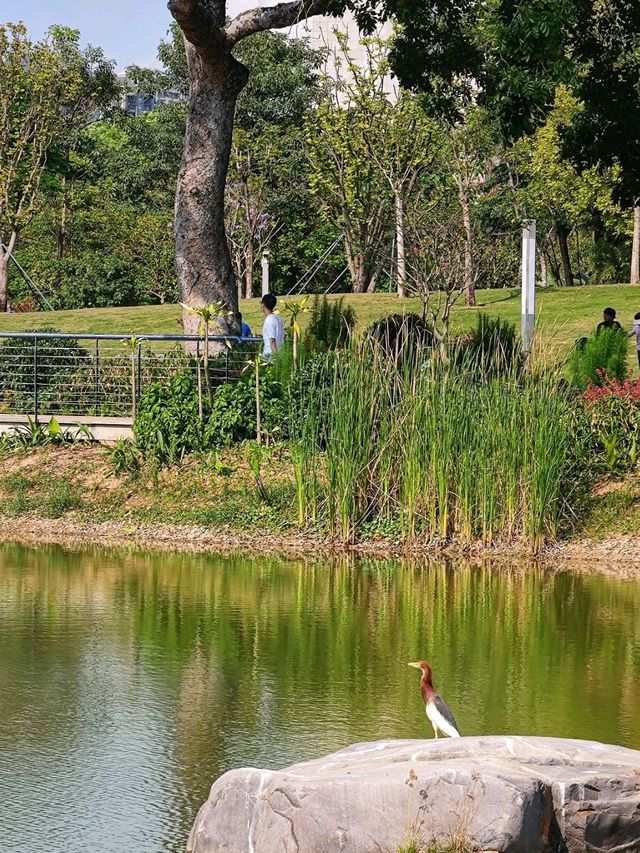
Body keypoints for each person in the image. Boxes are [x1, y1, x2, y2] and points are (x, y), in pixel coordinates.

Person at [260, 293, 284, 359]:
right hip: (280, 352)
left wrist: (276, 359)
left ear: (263, 305)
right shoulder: (278, 318)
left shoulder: (269, 320)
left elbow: (272, 340)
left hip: (270, 355)